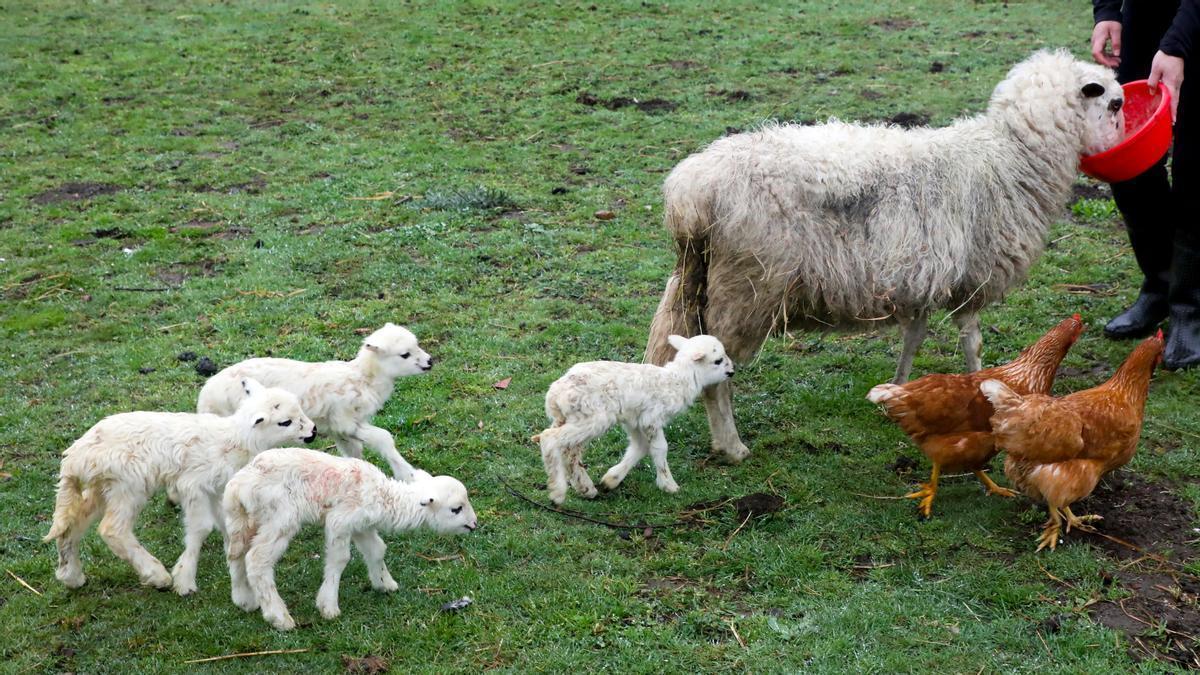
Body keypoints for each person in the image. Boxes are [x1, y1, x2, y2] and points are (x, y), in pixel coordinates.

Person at [1092, 0, 1199, 370]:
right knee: (1129, 156)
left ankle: (1190, 306)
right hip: (1145, 19)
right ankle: (1159, 286)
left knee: (1193, 170)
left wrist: (1178, 44)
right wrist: (1106, 11)